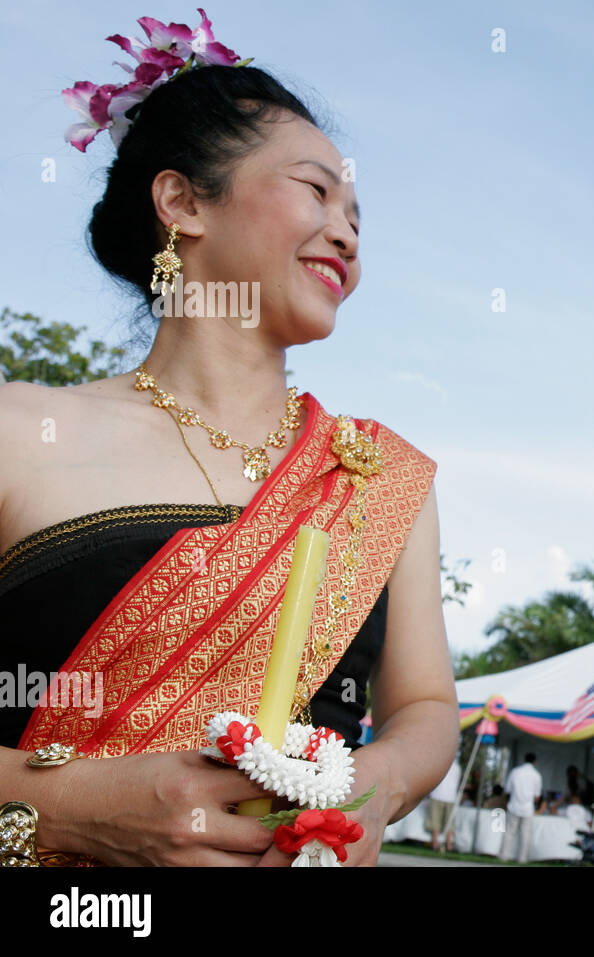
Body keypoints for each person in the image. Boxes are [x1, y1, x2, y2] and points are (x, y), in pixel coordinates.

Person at [0, 13, 459, 866]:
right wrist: (63, 808)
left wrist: (373, 788)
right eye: (316, 191)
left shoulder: (382, 477)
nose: (348, 233)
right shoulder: (18, 433)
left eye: (358, 213)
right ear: (182, 201)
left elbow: (425, 706)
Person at [501, 752, 542, 863]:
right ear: (534, 761)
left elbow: (507, 790)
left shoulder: (515, 772)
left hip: (514, 806)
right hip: (528, 808)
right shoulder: (536, 775)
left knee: (509, 832)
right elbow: (537, 797)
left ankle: (504, 856)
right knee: (525, 834)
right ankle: (522, 859)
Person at [427, 755, 462, 853]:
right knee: (449, 822)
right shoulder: (457, 768)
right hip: (450, 797)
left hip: (437, 795)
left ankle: (435, 843)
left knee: (435, 820)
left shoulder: (439, 765)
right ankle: (449, 844)